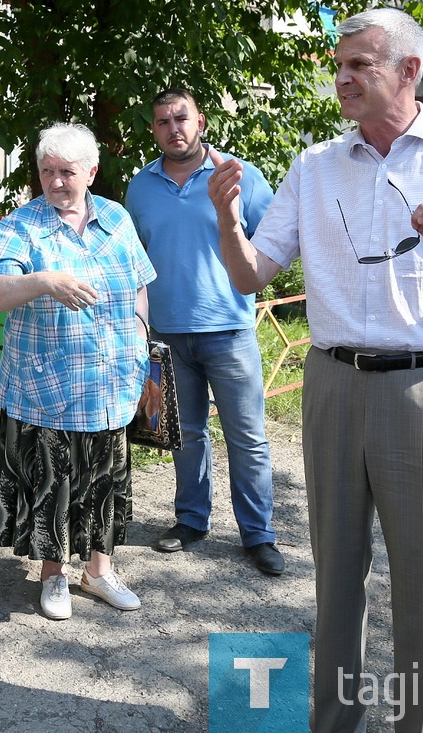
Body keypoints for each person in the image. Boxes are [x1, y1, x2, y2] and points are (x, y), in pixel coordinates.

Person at [207, 7, 423, 733]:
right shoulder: (315, 164)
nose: (342, 78)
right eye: (339, 65)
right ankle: (335, 724)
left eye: (360, 63)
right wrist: (227, 218)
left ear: (411, 71)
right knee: (335, 577)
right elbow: (251, 276)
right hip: (330, 384)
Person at [0, 122, 155, 621]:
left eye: (67, 172)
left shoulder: (117, 220)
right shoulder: (21, 226)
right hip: (46, 386)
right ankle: (52, 576)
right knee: (51, 481)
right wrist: (42, 281)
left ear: (91, 173)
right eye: (46, 171)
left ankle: (99, 572)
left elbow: (140, 283)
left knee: (104, 479)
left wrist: (140, 334)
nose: (55, 181)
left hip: (111, 381)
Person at [125, 88, 284, 576]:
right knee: (186, 434)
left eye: (182, 118)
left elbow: (277, 240)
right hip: (167, 333)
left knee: (248, 436)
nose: (174, 128)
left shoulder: (238, 175)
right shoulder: (140, 187)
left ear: (202, 122)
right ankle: (191, 521)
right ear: (153, 131)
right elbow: (133, 260)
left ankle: (259, 535)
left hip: (229, 328)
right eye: (163, 122)